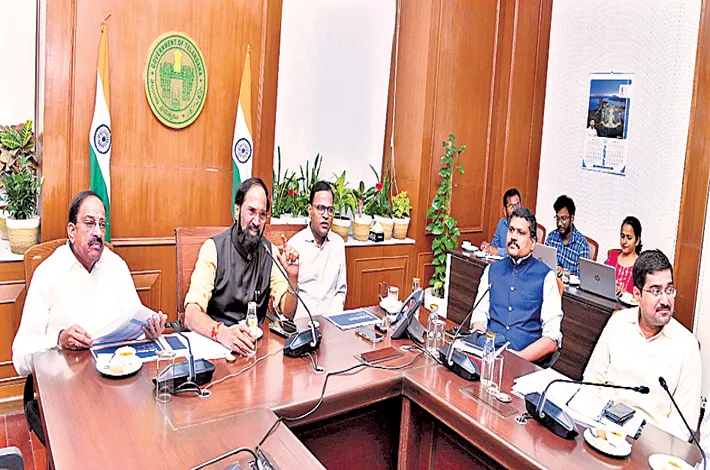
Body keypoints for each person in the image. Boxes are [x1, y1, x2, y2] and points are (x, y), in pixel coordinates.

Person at [12, 191, 166, 376]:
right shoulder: (47, 273)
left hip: (113, 377)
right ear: (72, 231)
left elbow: (133, 324)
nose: (98, 233)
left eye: (102, 225)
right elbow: (20, 360)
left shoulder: (116, 265)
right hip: (65, 379)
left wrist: (148, 332)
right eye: (89, 223)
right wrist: (58, 340)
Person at [583, 250, 701, 441]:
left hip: (650, 442)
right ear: (637, 295)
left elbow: (684, 426)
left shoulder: (687, 346)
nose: (665, 301)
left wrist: (642, 438)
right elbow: (591, 379)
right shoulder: (618, 322)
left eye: (669, 290)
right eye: (655, 291)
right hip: (602, 427)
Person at [184, 177, 299, 356]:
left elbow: (287, 311)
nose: (256, 221)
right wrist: (222, 333)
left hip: (256, 350)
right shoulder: (213, 249)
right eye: (251, 211)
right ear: (237, 210)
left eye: (262, 214)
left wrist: (292, 278)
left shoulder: (270, 252)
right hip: (217, 346)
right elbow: (191, 315)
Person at [470, 206, 563, 362]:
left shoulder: (546, 277)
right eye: (511, 230)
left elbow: (552, 338)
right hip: (487, 358)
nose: (513, 236)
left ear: (533, 243)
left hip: (524, 363)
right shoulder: (491, 270)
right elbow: (479, 316)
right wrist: (484, 347)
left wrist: (518, 359)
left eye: (521, 232)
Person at [288, 181, 347, 319]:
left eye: (330, 210)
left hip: (331, 322)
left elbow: (340, 291)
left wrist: (331, 319)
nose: (326, 215)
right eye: (321, 208)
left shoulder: (338, 244)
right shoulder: (294, 245)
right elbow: (287, 298)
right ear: (310, 210)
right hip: (302, 323)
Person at [544, 195, 590, 277]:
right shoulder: (551, 237)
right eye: (557, 218)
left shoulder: (582, 245)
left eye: (563, 218)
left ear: (572, 218)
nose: (559, 223)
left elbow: (582, 278)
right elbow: (543, 262)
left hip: (569, 285)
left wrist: (564, 273)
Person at [605, 216, 642, 295]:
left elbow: (641, 296)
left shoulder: (641, 266)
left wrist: (624, 293)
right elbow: (601, 281)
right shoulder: (612, 257)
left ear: (637, 240)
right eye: (622, 236)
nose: (624, 241)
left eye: (629, 238)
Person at [482, 188, 520, 257]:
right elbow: (494, 246)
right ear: (505, 211)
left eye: (517, 205)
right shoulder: (502, 223)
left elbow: (519, 252)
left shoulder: (525, 226)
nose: (516, 209)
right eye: (512, 206)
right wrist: (488, 248)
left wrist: (497, 251)